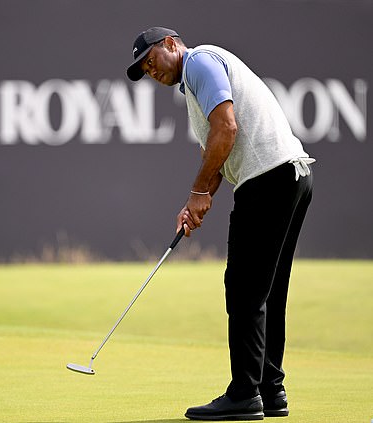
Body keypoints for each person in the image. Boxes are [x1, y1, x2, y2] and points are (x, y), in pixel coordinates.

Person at [126, 27, 314, 421]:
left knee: (244, 288)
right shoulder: (193, 88)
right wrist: (195, 200)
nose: (151, 71)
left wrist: (198, 192)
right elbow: (216, 150)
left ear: (171, 44)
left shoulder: (200, 62)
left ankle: (245, 393)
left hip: (268, 179)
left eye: (151, 60)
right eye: (144, 69)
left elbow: (227, 129)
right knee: (267, 290)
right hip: (290, 177)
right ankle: (270, 388)